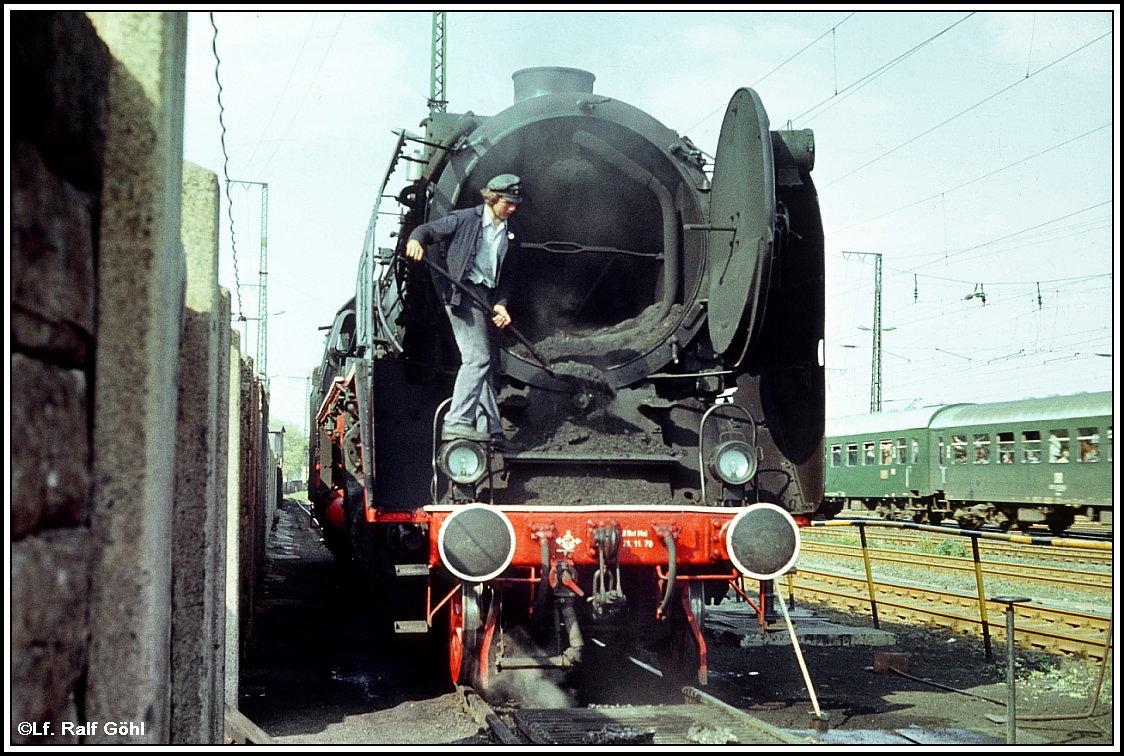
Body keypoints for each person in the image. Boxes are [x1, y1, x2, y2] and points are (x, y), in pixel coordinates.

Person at [405, 174, 524, 444]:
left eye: (516, 202)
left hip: (486, 297)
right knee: (477, 358)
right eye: (508, 202)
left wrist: (501, 304)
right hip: (462, 295)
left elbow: (508, 276)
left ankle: (490, 429)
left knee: (490, 366)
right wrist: (415, 240)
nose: (513, 208)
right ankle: (457, 420)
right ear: (493, 198)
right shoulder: (464, 218)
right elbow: (427, 231)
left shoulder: (512, 233)